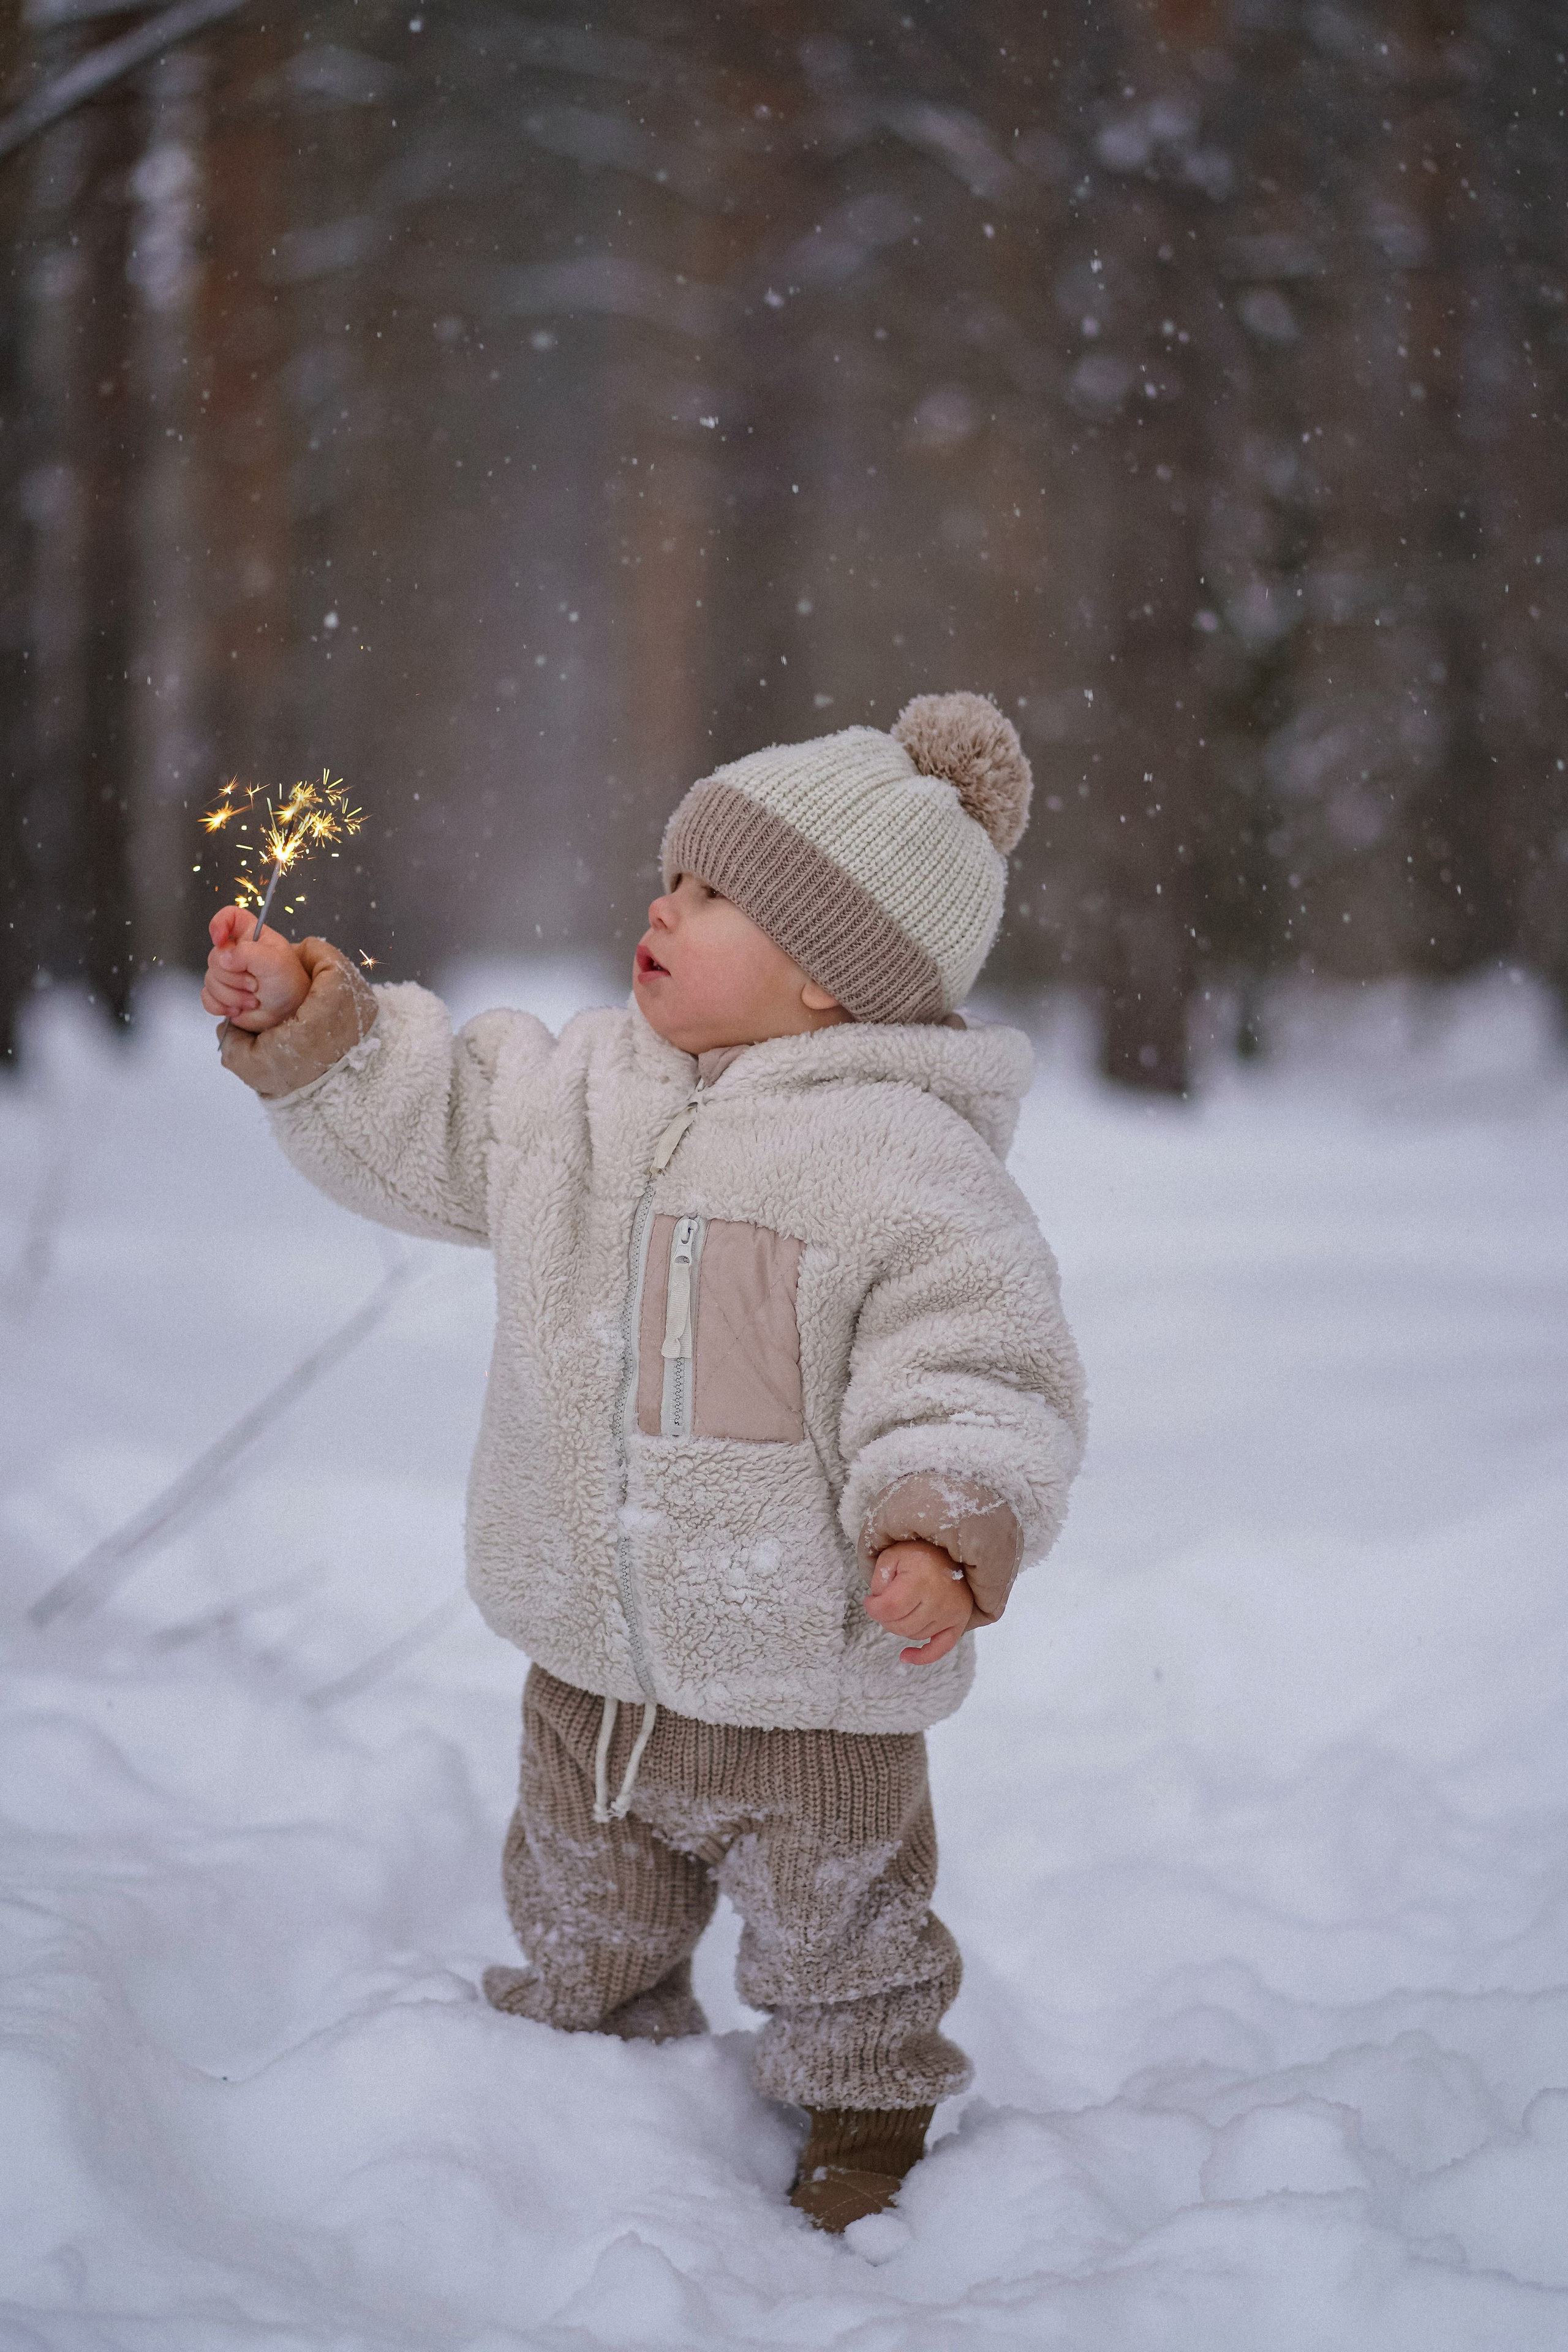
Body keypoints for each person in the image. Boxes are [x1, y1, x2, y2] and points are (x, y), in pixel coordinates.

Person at [203, 692, 1086, 2233]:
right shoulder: (584, 1095)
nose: (661, 908)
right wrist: (314, 1024)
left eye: (711, 895)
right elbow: (443, 1115)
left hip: (804, 1683)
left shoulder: (903, 1168)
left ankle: (867, 2133)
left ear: (829, 973)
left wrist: (942, 1529)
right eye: (669, 876)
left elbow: (978, 1363)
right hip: (589, 1668)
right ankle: (578, 2093)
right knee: (577, 1918)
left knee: (844, 1937)